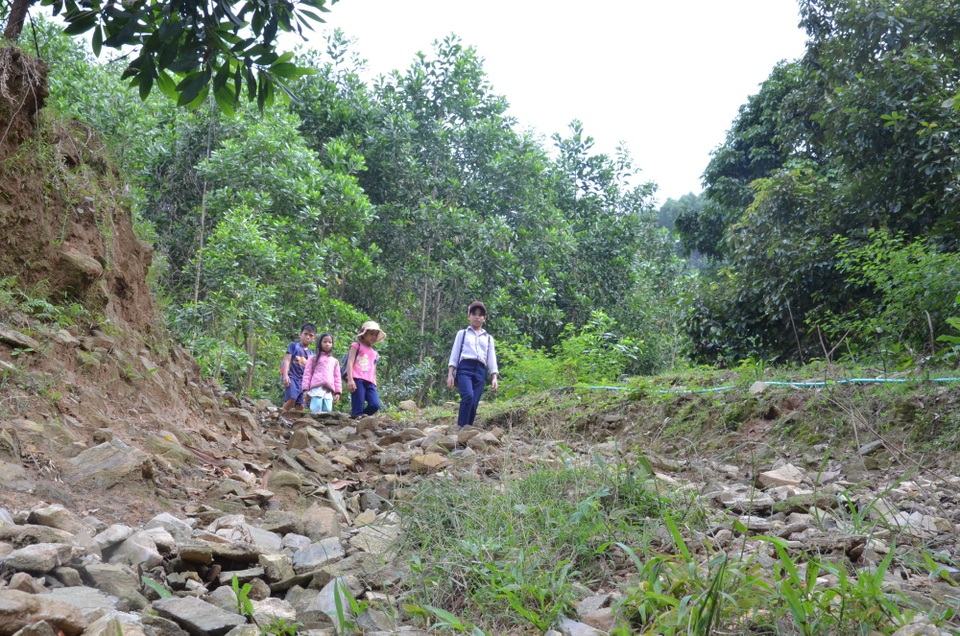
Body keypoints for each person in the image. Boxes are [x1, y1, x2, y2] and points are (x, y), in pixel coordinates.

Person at [447, 301, 499, 428]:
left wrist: (494, 377)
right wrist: (450, 374)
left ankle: (468, 429)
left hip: (480, 370)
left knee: (474, 402)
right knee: (468, 396)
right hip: (465, 368)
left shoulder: (488, 338)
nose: (477, 317)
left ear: (484, 319)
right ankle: (461, 428)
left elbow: (491, 357)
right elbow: (455, 353)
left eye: (480, 315)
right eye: (474, 314)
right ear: (469, 316)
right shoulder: (462, 333)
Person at [346, 321, 385, 418]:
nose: (374, 337)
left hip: (370, 382)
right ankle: (355, 421)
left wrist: (375, 383)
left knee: (375, 405)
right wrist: (350, 380)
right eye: (371, 334)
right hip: (357, 379)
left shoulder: (375, 353)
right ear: (364, 334)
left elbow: (373, 369)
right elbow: (350, 362)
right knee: (358, 405)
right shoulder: (356, 346)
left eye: (376, 335)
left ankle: (359, 418)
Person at [302, 332, 342, 413]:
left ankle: (324, 426)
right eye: (325, 341)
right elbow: (307, 374)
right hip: (316, 387)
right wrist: (305, 389)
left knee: (327, 410)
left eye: (330, 342)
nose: (327, 344)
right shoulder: (313, 358)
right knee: (315, 409)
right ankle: (313, 424)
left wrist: (338, 392)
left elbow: (337, 378)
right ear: (320, 343)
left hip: (329, 389)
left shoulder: (334, 361)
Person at [280, 323, 316, 412]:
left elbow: (311, 372)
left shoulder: (312, 355)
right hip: (292, 377)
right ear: (300, 335)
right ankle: (277, 417)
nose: (308, 337)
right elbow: (287, 360)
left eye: (311, 335)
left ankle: (297, 423)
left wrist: (309, 387)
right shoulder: (293, 346)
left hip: (303, 382)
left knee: (300, 405)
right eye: (305, 334)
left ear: (313, 338)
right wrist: (285, 375)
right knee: (291, 399)